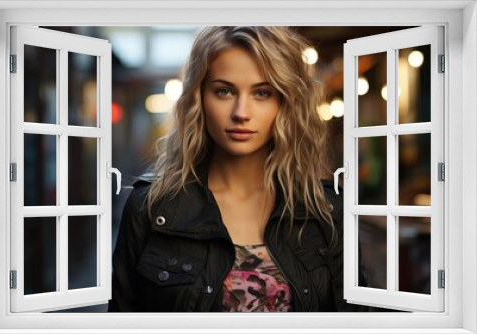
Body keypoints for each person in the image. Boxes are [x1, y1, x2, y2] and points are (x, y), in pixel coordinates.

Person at [108, 26, 368, 312]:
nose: (241, 112)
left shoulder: (328, 211)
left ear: (286, 103)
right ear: (199, 99)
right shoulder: (151, 209)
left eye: (262, 93)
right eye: (224, 91)